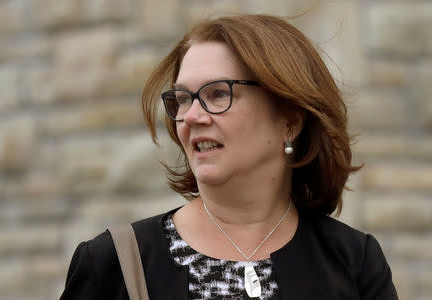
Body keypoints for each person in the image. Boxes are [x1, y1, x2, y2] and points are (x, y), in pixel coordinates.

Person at [60, 14, 398, 299]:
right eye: (183, 98)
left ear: (290, 120)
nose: (191, 117)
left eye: (218, 93)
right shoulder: (113, 263)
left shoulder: (354, 262)